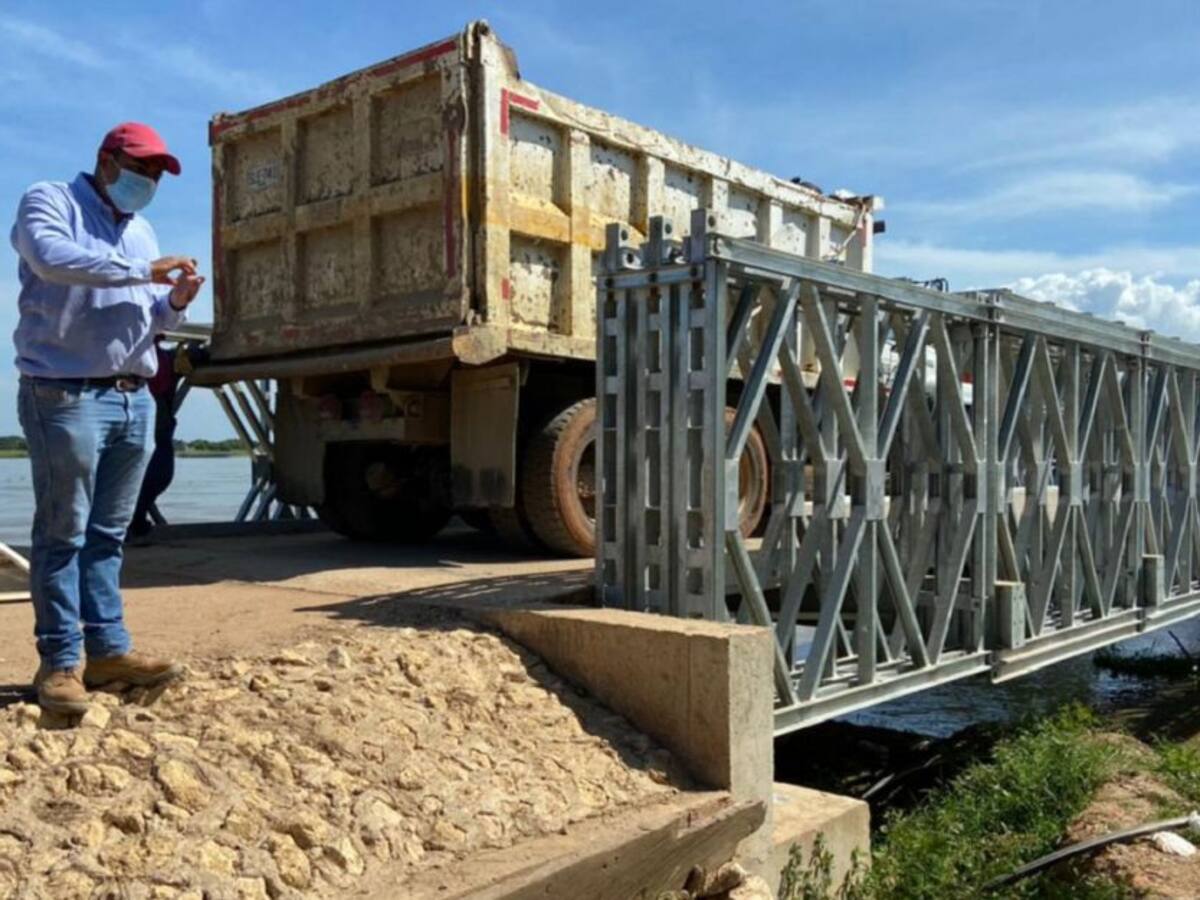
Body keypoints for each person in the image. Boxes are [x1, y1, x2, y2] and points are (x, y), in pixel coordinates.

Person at [10, 122, 204, 714]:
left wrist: (172, 303)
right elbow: (51, 259)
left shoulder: (142, 232)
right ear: (106, 159)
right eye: (140, 168)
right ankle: (61, 663)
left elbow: (145, 319)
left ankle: (109, 649)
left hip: (132, 396)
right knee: (62, 534)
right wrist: (146, 274)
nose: (147, 182)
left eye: (155, 175)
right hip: (64, 395)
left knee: (107, 537)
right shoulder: (50, 201)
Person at [128, 337, 179, 544]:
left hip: (153, 403)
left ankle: (135, 520)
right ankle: (134, 521)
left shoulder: (160, 355)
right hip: (140, 399)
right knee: (155, 472)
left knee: (157, 472)